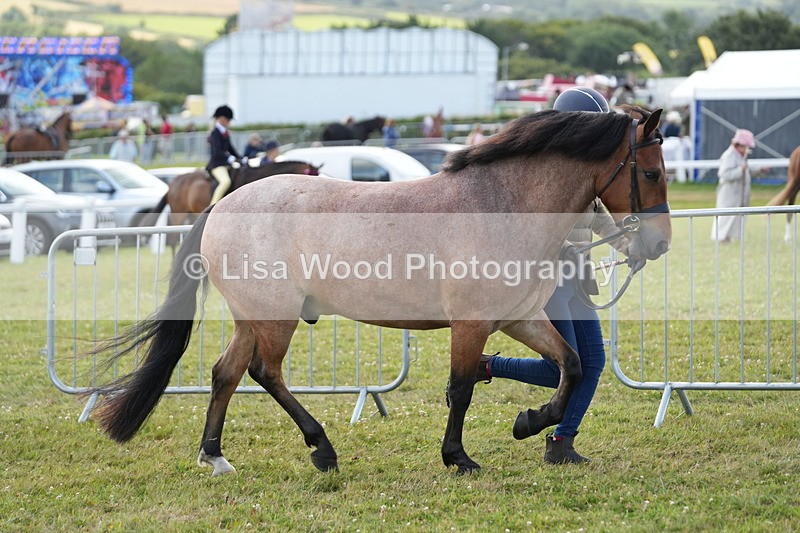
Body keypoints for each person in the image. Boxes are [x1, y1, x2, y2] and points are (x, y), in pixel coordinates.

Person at [467, 87, 629, 464]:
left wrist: (631, 247)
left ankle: (561, 441)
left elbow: (600, 219)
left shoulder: (586, 171)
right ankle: (487, 366)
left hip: (578, 279)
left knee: (592, 362)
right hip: (547, 281)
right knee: (561, 365)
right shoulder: (538, 174)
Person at [711, 129, 755, 243]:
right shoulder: (729, 155)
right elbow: (724, 174)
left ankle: (729, 238)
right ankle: (720, 239)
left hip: (738, 193)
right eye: (745, 146)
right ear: (739, 145)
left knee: (735, 217)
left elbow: (746, 171)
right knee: (725, 216)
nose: (747, 149)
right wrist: (741, 170)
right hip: (729, 192)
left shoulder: (740, 156)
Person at [207, 105, 242, 205]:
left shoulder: (224, 132)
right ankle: (211, 207)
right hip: (217, 165)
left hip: (225, 163)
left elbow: (231, 149)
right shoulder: (215, 133)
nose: (229, 122)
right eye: (228, 119)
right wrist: (230, 158)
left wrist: (241, 158)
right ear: (222, 119)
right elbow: (218, 152)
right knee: (225, 182)